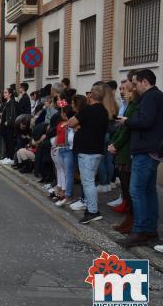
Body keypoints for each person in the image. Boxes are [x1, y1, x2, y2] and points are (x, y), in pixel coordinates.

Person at [117, 69, 163, 247]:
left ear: (145, 82)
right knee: (148, 191)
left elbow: (145, 121)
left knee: (136, 191)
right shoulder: (157, 96)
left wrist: (127, 121)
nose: (134, 88)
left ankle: (140, 231)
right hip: (151, 150)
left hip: (145, 150)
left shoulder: (151, 97)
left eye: (135, 84)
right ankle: (149, 231)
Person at [67, 84, 109, 224]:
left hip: (87, 152)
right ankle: (91, 209)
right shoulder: (103, 110)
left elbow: (71, 122)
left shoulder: (88, 110)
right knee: (89, 181)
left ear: (91, 95)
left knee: (88, 182)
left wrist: (78, 125)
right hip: (96, 150)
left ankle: (92, 211)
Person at [108, 76, 138, 234]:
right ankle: (129, 219)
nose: (122, 92)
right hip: (121, 150)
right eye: (120, 90)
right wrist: (113, 142)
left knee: (131, 188)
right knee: (126, 186)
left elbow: (126, 129)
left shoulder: (133, 106)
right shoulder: (126, 106)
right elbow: (120, 127)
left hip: (127, 152)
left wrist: (115, 144)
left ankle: (133, 221)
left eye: (125, 89)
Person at [0, 87, 17, 165]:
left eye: (6, 93)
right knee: (7, 141)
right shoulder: (7, 102)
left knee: (10, 142)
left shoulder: (12, 102)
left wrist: (8, 121)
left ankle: (11, 158)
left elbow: (12, 114)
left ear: (10, 94)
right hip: (5, 125)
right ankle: (8, 156)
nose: (4, 94)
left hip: (9, 126)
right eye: (4, 93)